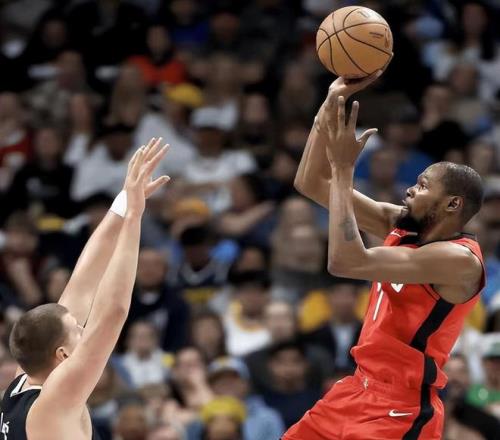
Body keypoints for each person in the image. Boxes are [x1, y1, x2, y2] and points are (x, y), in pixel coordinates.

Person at [287, 73, 485, 439]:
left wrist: (343, 170)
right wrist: (329, 106)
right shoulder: (402, 225)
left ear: (452, 204)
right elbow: (310, 183)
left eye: (423, 185)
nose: (410, 189)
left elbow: (346, 262)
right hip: (355, 388)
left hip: (400, 408)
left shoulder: (459, 261)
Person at [0, 137, 170, 439]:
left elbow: (82, 282)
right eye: (77, 330)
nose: (83, 327)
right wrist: (134, 219)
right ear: (62, 354)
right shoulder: (55, 398)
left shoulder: (22, 381)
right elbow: (112, 313)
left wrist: (125, 201)